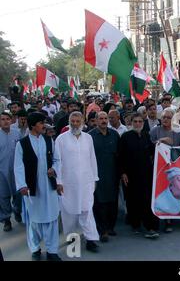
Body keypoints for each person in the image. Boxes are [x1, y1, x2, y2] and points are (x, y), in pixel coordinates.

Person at [14, 112, 62, 261]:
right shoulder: (22, 144)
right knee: (34, 219)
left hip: (49, 186)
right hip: (32, 188)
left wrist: (54, 169)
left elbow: (57, 159)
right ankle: (35, 249)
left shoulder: (49, 140)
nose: (44, 126)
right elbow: (18, 166)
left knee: (52, 217)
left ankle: (52, 250)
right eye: (41, 123)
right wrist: (22, 185)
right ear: (33, 125)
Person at [54, 111, 100, 252]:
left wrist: (95, 178)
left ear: (82, 122)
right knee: (69, 212)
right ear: (69, 122)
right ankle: (72, 239)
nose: (74, 124)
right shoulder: (61, 139)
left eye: (77, 121)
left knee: (87, 211)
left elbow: (92, 159)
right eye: (72, 121)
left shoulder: (88, 138)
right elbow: (57, 162)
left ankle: (91, 239)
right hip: (68, 183)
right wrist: (58, 181)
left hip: (86, 181)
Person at [119, 113, 160, 239]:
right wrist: (123, 173)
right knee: (133, 200)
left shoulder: (146, 135)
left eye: (140, 121)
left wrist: (161, 143)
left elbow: (154, 151)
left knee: (147, 200)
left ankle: (150, 227)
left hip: (146, 174)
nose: (137, 124)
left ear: (143, 122)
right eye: (135, 121)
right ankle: (135, 224)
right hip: (131, 175)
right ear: (131, 123)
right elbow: (120, 156)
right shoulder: (125, 137)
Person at [89, 112, 120, 243]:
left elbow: (119, 154)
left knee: (112, 201)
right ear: (96, 121)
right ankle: (102, 231)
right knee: (99, 203)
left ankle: (110, 227)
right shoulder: (90, 136)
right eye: (100, 119)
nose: (103, 121)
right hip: (96, 174)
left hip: (113, 173)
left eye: (105, 118)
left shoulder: (114, 135)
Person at [0, 112, 22, 232]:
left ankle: (17, 211)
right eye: (2, 119)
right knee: (3, 197)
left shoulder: (16, 133)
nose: (5, 121)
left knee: (18, 195)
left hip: (16, 171)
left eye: (7, 119)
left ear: (11, 120)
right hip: (1, 172)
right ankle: (6, 219)